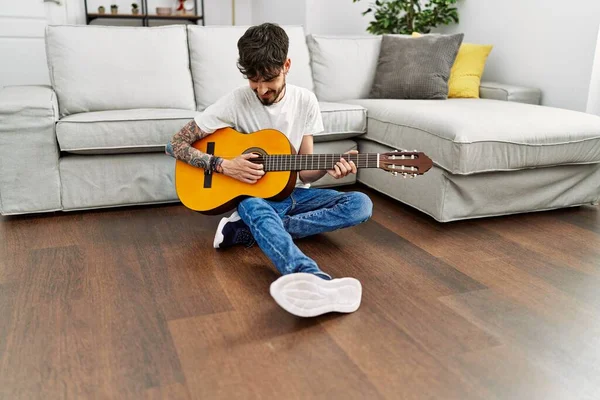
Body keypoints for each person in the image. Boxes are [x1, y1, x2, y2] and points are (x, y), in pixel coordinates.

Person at [165, 22, 373, 318]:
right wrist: (224, 165)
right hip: (255, 199)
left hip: (297, 196)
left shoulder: (305, 101)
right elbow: (174, 144)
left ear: (287, 65)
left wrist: (328, 168)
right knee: (252, 204)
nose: (262, 90)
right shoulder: (236, 101)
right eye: (253, 81)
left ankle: (254, 231)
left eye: (270, 79)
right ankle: (311, 280)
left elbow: (304, 172)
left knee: (360, 204)